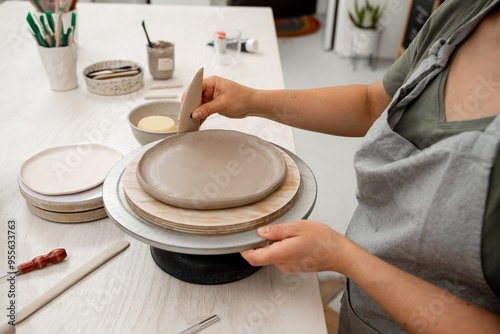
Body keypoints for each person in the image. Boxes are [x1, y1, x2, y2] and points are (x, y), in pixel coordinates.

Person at [184, 0, 500, 332]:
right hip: (359, 309)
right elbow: (372, 104)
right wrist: (252, 101)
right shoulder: (465, 11)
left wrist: (344, 256)